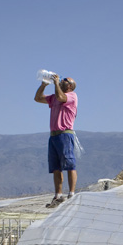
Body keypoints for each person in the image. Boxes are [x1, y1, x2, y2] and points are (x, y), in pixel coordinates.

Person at [34, 74, 78, 208]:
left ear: (70, 86)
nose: (62, 80)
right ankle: (58, 195)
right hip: (54, 135)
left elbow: (61, 97)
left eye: (65, 80)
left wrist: (56, 84)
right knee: (56, 167)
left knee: (69, 164)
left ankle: (71, 193)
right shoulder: (54, 98)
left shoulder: (72, 96)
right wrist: (43, 85)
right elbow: (38, 98)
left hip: (65, 133)